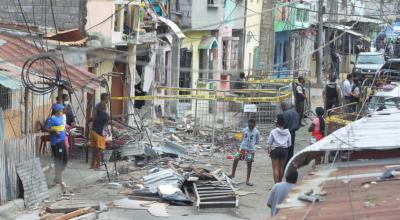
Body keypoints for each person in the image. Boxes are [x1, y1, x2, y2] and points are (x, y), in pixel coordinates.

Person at [229, 118, 260, 186]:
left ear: (254, 125)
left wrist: (252, 145)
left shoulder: (257, 132)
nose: (250, 125)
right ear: (248, 124)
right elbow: (242, 138)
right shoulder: (245, 129)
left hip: (251, 151)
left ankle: (247, 181)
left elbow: (257, 141)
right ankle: (232, 174)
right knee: (235, 159)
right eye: (249, 124)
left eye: (252, 124)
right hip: (242, 149)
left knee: (249, 164)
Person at [46, 104, 68, 185]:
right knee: (59, 160)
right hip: (56, 142)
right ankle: (59, 178)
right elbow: (46, 128)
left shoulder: (61, 117)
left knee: (65, 159)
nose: (62, 111)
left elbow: (63, 127)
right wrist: (54, 131)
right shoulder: (52, 119)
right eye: (61, 110)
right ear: (57, 110)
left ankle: (57, 177)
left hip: (62, 140)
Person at [267, 114, 291, 183]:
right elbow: (289, 144)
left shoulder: (273, 131)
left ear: (277, 123)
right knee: (281, 167)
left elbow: (269, 142)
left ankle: (276, 185)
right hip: (284, 150)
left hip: (275, 150)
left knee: (275, 168)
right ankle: (280, 183)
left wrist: (269, 148)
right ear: (284, 123)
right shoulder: (288, 132)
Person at [90, 103, 110, 169]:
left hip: (93, 132)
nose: (106, 107)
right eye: (105, 106)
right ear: (103, 108)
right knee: (99, 151)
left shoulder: (96, 115)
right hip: (99, 134)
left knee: (94, 150)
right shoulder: (105, 114)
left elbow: (90, 120)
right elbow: (110, 120)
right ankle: (98, 166)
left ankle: (92, 165)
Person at [281, 102, 300, 168]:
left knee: (285, 149)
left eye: (282, 107)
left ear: (284, 106)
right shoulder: (295, 112)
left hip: (286, 133)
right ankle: (289, 164)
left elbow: (283, 124)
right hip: (293, 133)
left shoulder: (285, 113)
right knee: (291, 150)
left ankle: (284, 165)